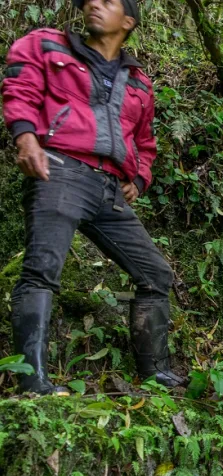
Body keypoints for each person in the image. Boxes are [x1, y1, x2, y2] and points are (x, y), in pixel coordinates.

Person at [2, 0, 184, 394]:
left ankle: (156, 374)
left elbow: (145, 141)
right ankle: (33, 383)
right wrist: (26, 135)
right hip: (60, 170)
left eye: (108, 1)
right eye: (90, 0)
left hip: (108, 189)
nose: (94, 4)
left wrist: (140, 176)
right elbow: (20, 85)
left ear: (129, 21)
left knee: (155, 274)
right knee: (41, 271)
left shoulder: (138, 82)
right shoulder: (49, 45)